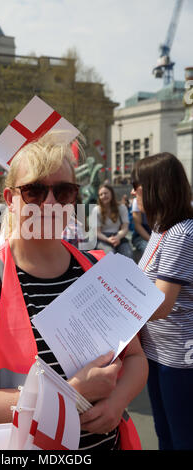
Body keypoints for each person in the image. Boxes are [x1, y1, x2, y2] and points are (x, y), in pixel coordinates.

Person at [0, 132, 148, 450]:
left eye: (63, 191)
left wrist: (117, 401)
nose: (49, 204)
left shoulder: (98, 270)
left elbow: (135, 359)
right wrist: (70, 394)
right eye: (34, 191)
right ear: (10, 199)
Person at [131, 152, 193, 450]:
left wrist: (116, 312)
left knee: (181, 438)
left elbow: (162, 304)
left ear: (156, 187)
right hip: (156, 351)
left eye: (136, 184)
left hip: (179, 359)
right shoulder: (160, 228)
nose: (132, 191)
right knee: (164, 432)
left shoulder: (181, 234)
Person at [93, 184, 133, 258]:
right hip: (103, 238)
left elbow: (125, 228)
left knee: (128, 254)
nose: (103, 196)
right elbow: (97, 232)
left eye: (106, 193)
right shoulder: (96, 210)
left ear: (111, 193)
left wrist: (117, 237)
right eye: (101, 194)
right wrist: (108, 239)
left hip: (119, 236)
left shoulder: (122, 208)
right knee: (110, 255)